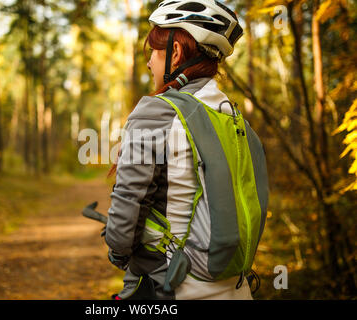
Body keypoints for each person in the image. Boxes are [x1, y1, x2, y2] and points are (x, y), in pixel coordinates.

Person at [104, 0, 268, 300]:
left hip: (174, 287)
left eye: (153, 51)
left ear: (175, 53)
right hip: (237, 287)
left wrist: (117, 250)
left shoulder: (156, 113)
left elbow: (128, 203)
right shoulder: (234, 119)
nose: (150, 62)